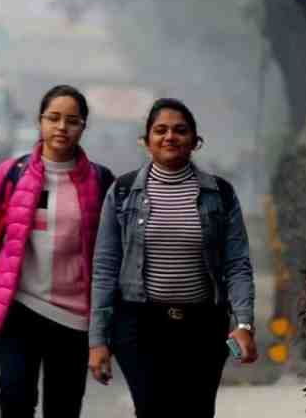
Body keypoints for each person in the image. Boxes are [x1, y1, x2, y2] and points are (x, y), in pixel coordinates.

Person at [0, 85, 115, 418]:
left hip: (74, 320)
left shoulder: (101, 182)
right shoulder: (13, 174)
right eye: (53, 118)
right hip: (19, 309)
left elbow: (111, 262)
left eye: (72, 120)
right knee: (15, 398)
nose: (61, 128)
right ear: (39, 122)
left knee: (63, 408)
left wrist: (106, 332)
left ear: (83, 127)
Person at [87, 98, 256, 418]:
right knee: (152, 409)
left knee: (197, 411)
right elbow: (105, 268)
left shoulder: (220, 194)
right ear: (146, 140)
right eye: (160, 130)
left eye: (180, 130)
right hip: (139, 326)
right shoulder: (122, 193)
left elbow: (237, 264)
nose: (170, 137)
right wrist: (98, 340)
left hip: (203, 328)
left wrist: (244, 323)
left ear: (195, 141)